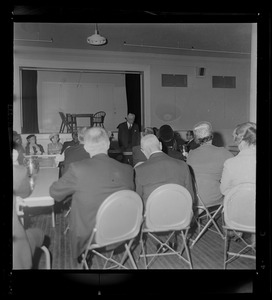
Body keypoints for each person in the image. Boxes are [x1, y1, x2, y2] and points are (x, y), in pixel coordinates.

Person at [49, 127, 135, 268]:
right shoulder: (127, 169)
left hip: (89, 237)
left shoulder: (77, 169)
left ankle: (83, 255)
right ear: (108, 145)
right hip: (123, 230)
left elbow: (54, 193)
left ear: (87, 147)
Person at [220, 122, 256, 245]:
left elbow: (224, 190)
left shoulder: (230, 163)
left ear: (241, 141)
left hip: (237, 216)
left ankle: (238, 231)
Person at [135, 134, 194, 205]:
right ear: (160, 145)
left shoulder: (139, 170)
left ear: (142, 151)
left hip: (152, 214)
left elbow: (138, 201)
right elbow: (190, 197)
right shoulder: (183, 165)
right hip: (181, 213)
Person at [187, 121, 233, 207]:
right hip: (214, 200)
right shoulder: (223, 152)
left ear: (196, 139)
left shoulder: (191, 153)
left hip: (194, 199)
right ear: (211, 136)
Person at [13, 151, 45, 269]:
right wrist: (15, 164)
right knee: (40, 234)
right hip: (18, 254)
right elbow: (26, 192)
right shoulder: (17, 172)